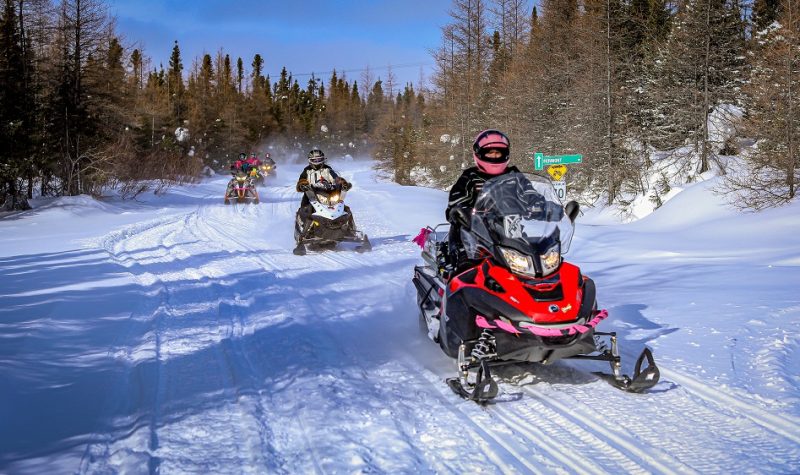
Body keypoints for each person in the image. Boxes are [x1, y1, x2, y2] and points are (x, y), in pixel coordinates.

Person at [444, 129, 520, 272]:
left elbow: (530, 194)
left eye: (498, 152)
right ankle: (460, 275)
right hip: (474, 230)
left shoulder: (513, 174)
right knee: (467, 267)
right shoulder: (470, 176)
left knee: (535, 258)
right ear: (479, 153)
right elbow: (457, 198)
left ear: (505, 154)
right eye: (490, 152)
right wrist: (462, 210)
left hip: (510, 228)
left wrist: (545, 207)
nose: (494, 156)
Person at [294, 149, 352, 240]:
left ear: (323, 159)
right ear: (310, 160)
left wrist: (343, 184)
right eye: (314, 160)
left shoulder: (327, 169)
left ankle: (351, 230)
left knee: (345, 208)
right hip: (311, 194)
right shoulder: (307, 171)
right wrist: (302, 184)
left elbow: (336, 178)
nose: (317, 162)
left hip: (328, 193)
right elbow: (301, 180)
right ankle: (304, 232)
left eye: (319, 160)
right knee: (305, 208)